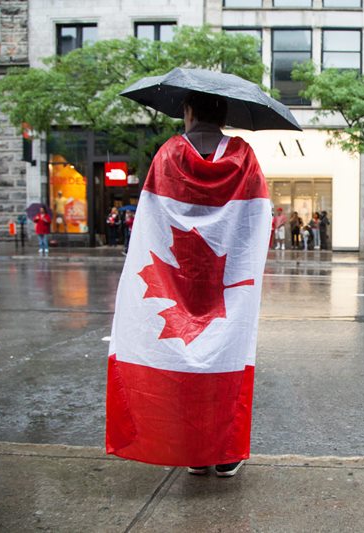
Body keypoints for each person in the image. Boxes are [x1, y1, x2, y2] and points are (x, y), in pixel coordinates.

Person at [106, 91, 270, 479]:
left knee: (181, 359)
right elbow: (257, 218)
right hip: (229, 280)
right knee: (226, 359)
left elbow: (152, 220)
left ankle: (194, 451)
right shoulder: (243, 156)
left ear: (190, 111)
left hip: (175, 279)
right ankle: (225, 453)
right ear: (224, 113)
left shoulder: (168, 154)